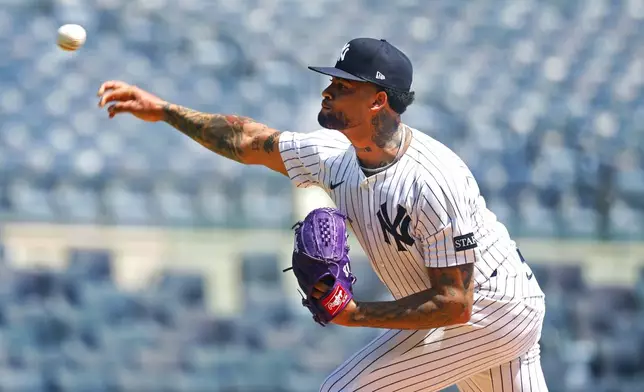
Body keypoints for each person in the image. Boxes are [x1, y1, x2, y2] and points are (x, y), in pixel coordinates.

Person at [97, 37, 548, 392]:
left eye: (343, 86)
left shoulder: (432, 179)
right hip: (497, 310)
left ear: (378, 101)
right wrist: (164, 111)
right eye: (331, 81)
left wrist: (355, 313)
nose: (328, 91)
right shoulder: (333, 154)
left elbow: (455, 303)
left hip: (492, 309)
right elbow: (249, 140)